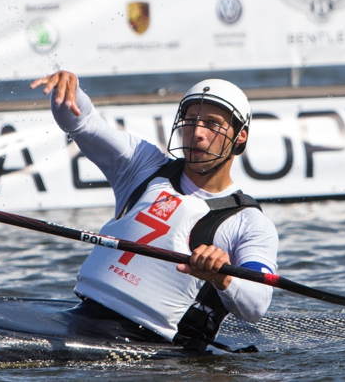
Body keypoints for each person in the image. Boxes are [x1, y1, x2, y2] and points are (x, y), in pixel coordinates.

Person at [30, 70, 278, 350]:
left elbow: (257, 305)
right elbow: (84, 123)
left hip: (157, 349)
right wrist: (67, 94)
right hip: (82, 319)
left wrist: (223, 278)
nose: (197, 133)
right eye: (191, 120)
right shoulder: (142, 165)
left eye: (212, 124)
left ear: (240, 137)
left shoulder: (250, 223)